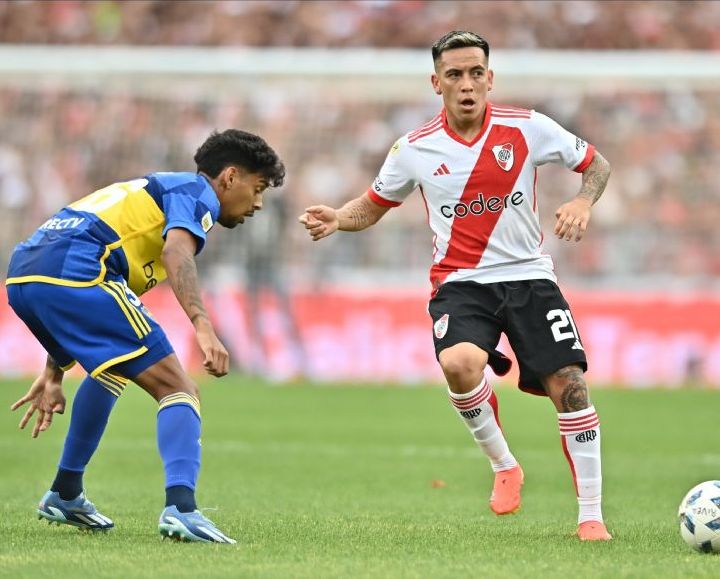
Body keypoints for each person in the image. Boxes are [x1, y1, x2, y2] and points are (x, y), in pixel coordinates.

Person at [299, 31, 613, 541]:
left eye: (475, 74)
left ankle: (591, 515)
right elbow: (371, 206)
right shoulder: (414, 149)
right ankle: (505, 465)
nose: (466, 84)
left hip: (529, 276)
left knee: (571, 386)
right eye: (454, 75)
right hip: (462, 282)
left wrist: (582, 202)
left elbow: (596, 164)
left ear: (490, 79)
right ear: (436, 82)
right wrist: (338, 217)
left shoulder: (528, 128)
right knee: (458, 363)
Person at [7, 128, 285, 544]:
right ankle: (182, 509)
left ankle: (65, 492)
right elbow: (177, 253)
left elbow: (75, 287)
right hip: (80, 270)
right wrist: (204, 328)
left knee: (111, 372)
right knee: (179, 389)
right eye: (258, 187)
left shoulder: (152, 198)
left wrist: (55, 370)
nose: (258, 203)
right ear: (230, 177)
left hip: (25, 273)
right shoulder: (196, 194)